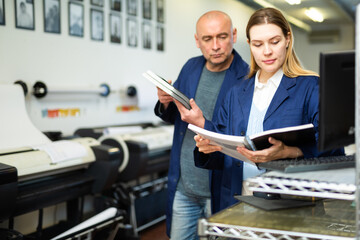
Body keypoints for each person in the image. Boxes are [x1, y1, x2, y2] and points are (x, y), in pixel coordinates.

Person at [185, 7, 344, 213]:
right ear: (250, 45)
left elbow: (334, 149)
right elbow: (224, 153)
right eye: (258, 44)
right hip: (236, 200)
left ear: (288, 39)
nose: (267, 51)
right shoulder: (236, 92)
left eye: (274, 41)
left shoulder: (311, 87)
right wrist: (207, 147)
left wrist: (291, 152)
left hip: (290, 203)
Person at [154, 11, 249, 239]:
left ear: (233, 36)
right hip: (184, 187)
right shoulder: (190, 68)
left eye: (222, 37)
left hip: (219, 190)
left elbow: (240, 136)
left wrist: (203, 123)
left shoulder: (247, 77)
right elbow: (176, 118)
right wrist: (165, 102)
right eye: (207, 39)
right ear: (198, 41)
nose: (215, 46)